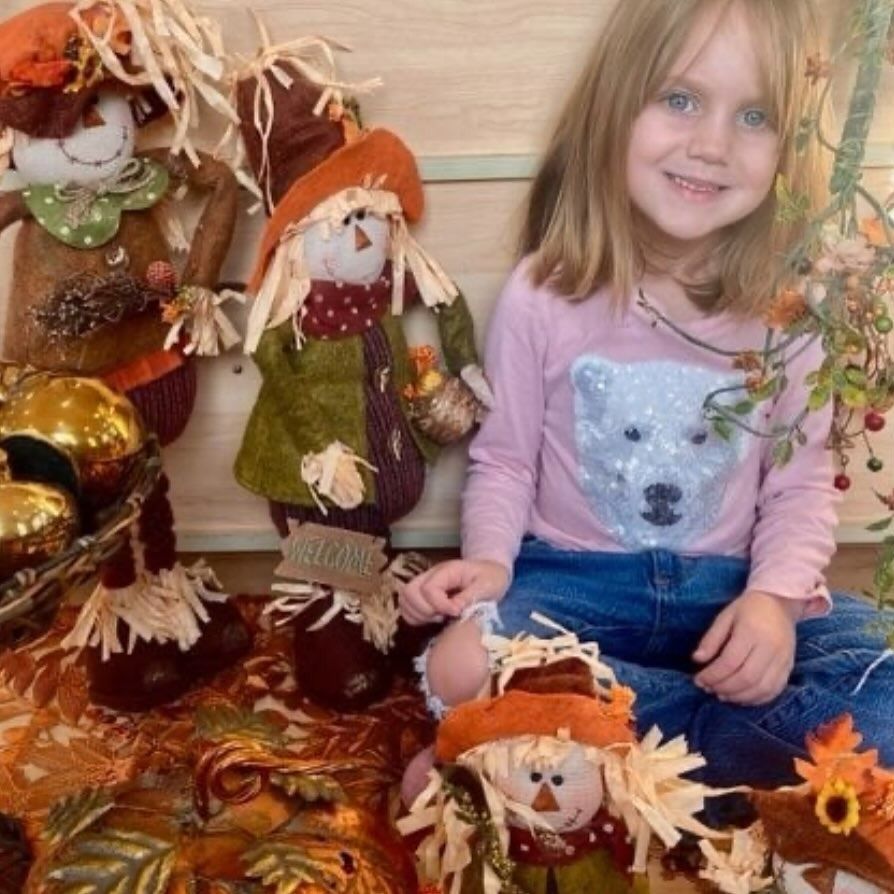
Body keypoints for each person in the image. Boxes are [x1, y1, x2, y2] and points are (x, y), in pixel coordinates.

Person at [399, 0, 894, 800]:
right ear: (617, 105)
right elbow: (504, 459)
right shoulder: (544, 294)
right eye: (680, 99)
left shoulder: (793, 308)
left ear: (794, 149)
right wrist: (489, 564)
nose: (711, 144)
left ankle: (595, 748)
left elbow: (800, 486)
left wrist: (771, 604)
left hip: (728, 594)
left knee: (883, 677)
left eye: (755, 115)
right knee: (463, 662)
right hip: (574, 586)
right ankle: (718, 749)